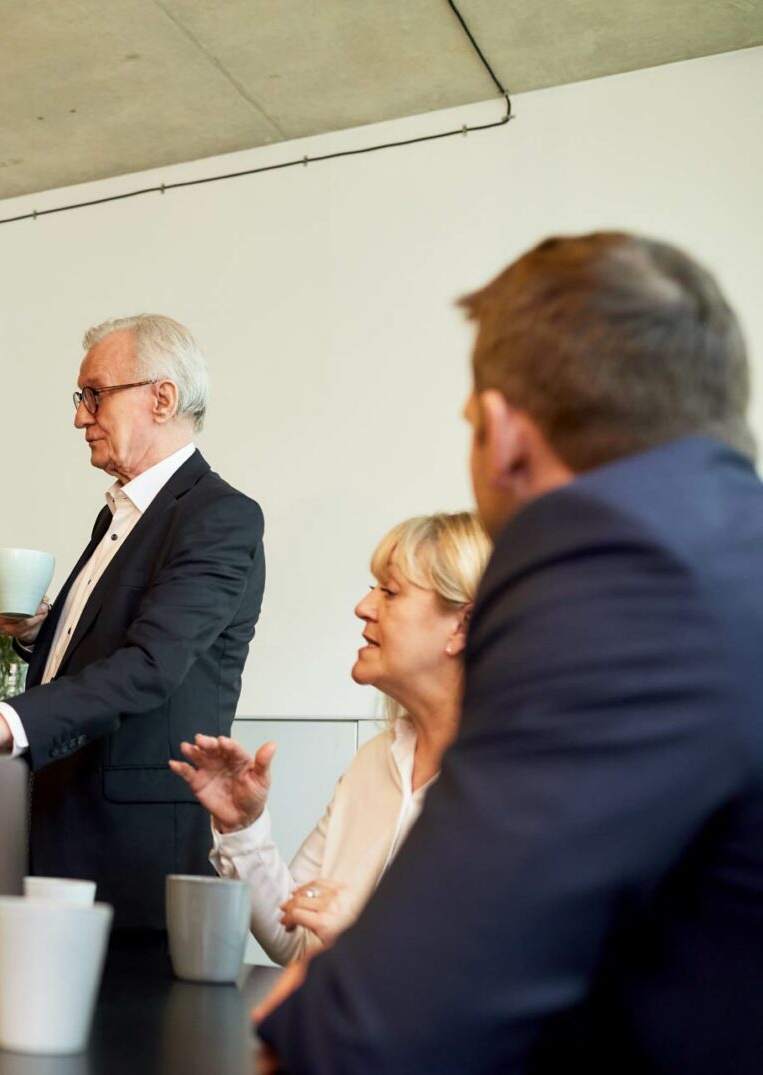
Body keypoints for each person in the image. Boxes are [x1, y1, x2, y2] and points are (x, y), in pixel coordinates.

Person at [256, 233, 763, 1074]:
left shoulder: (621, 573)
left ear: (503, 434)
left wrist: (322, 1013)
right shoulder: (727, 556)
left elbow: (383, 1025)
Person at [0, 314, 266, 929]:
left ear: (161, 398)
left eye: (95, 394)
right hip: (56, 814)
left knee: (121, 1021)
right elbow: (112, 635)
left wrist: (1, 722)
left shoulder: (220, 517)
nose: (80, 416)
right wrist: (43, 631)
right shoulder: (119, 512)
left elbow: (150, 666)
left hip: (129, 842)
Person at [173, 512, 489, 965]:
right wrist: (242, 828)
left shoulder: (515, 786)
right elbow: (298, 940)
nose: (364, 606)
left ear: (462, 626)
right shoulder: (373, 763)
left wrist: (362, 940)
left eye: (391, 591)